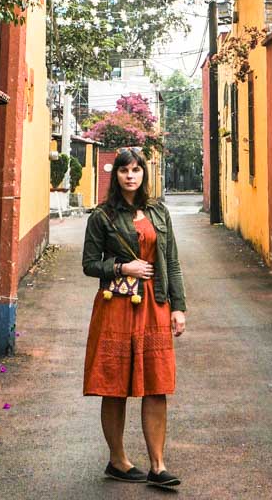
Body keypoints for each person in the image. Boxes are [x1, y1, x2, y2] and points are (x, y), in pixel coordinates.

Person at [82, 146, 187, 489]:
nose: (130, 175)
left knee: (157, 384)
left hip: (154, 305)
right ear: (117, 176)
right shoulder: (102, 216)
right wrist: (122, 266)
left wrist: (178, 306)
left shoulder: (159, 212)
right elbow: (89, 264)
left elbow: (170, 261)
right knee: (114, 386)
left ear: (144, 173)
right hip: (117, 307)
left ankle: (158, 465)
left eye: (136, 170)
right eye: (124, 170)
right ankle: (118, 460)